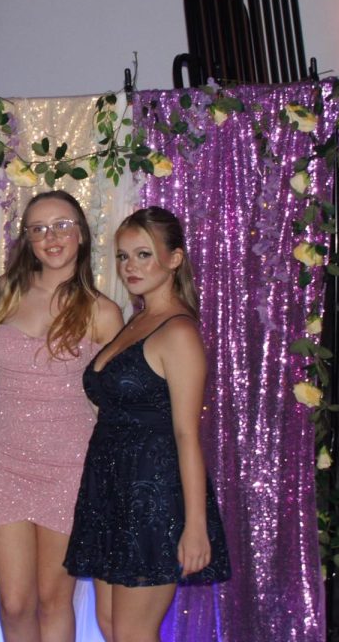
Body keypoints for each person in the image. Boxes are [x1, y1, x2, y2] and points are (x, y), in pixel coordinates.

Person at [64, 206, 231, 641]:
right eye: (122, 257)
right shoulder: (136, 320)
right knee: (111, 627)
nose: (130, 267)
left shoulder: (179, 333)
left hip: (153, 495)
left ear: (174, 258)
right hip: (110, 489)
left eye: (143, 254)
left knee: (133, 634)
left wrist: (194, 525)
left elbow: (186, 435)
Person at [0, 190, 124, 642]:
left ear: (81, 234)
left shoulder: (102, 312)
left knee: (52, 599)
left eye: (62, 225)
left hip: (70, 467)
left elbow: (116, 404)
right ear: (27, 240)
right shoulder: (4, 292)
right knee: (13, 601)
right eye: (39, 229)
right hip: (4, 461)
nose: (51, 237)